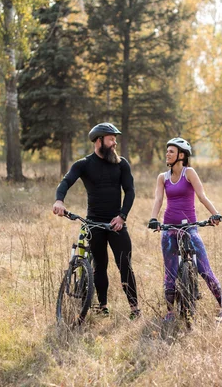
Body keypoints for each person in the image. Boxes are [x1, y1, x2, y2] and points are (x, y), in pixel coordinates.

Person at [53, 122, 141, 319]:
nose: (114, 143)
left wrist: (122, 216)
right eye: (111, 139)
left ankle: (134, 308)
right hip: (94, 223)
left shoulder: (121, 164)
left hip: (116, 223)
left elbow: (130, 191)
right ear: (99, 141)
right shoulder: (83, 164)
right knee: (100, 265)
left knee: (124, 265)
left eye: (115, 139)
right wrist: (59, 200)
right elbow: (66, 182)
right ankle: (102, 305)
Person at [148, 137, 222, 321]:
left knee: (204, 269)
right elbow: (158, 200)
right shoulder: (162, 177)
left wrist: (215, 214)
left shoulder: (189, 172)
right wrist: (153, 219)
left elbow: (201, 196)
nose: (167, 154)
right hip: (169, 228)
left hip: (189, 227)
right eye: (167, 151)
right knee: (170, 272)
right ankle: (170, 312)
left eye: (171, 151)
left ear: (181, 155)